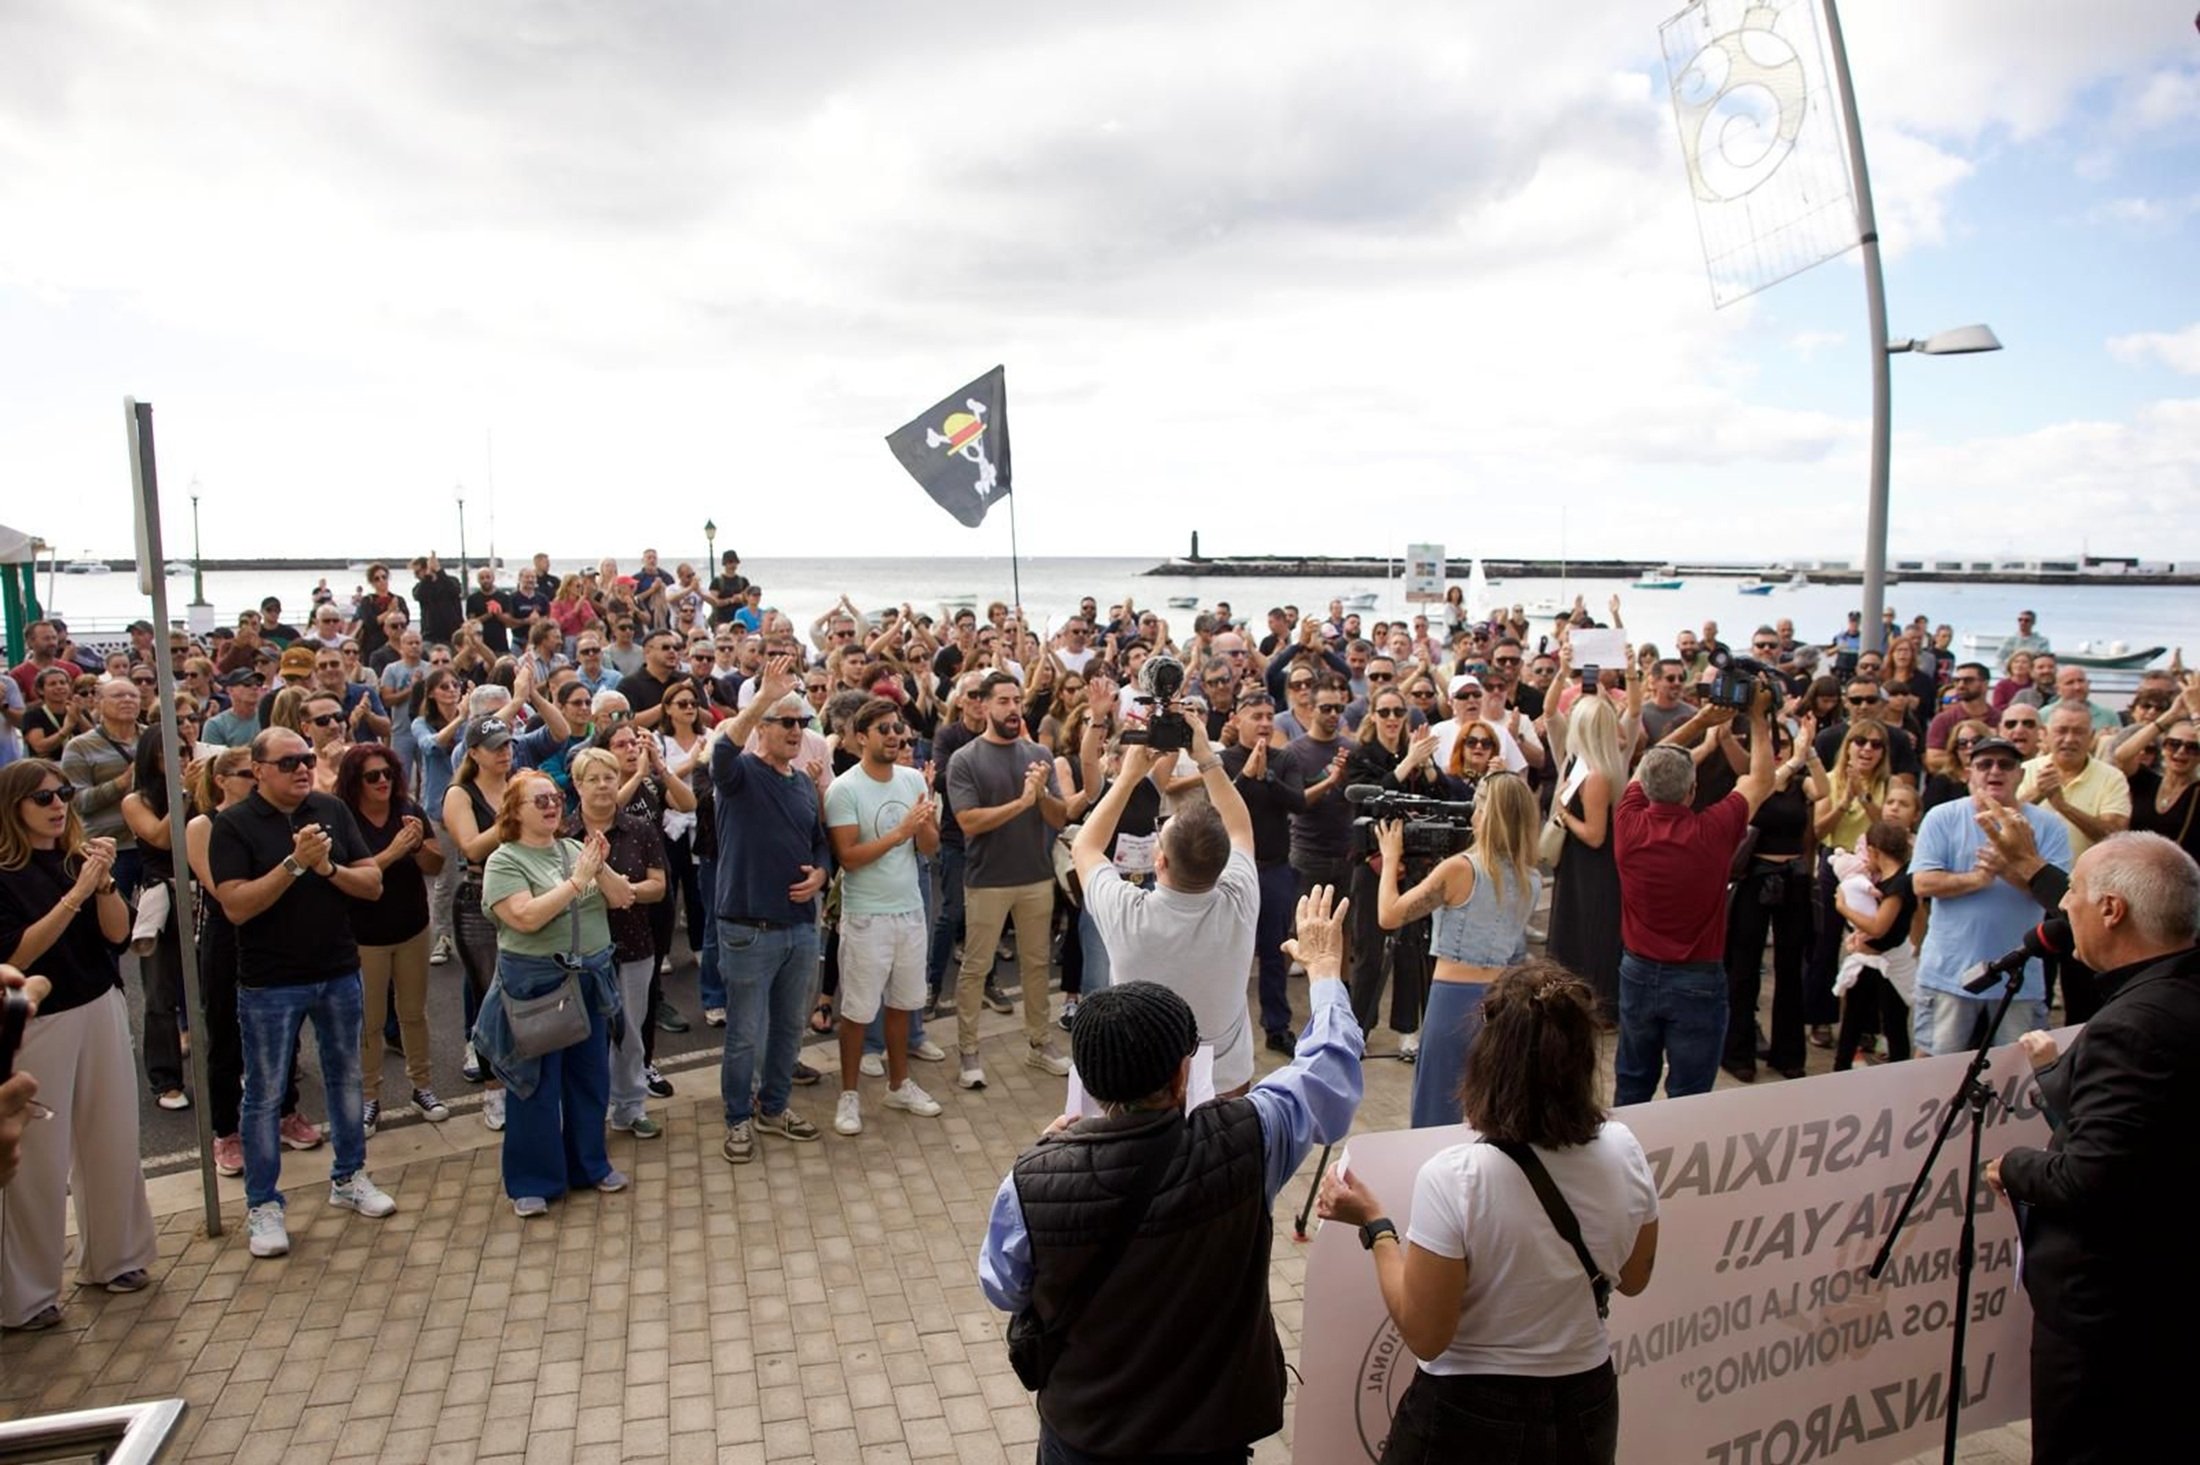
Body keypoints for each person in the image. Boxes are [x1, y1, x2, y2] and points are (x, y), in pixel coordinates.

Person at [978, 886, 1365, 1463]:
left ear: (1088, 1082)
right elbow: (1328, 1069)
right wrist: (1327, 971)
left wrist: (1052, 1153)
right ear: (1184, 1077)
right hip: (1208, 1437)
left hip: (1087, 1438)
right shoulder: (1250, 1137)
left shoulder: (1030, 1182)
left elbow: (1004, 1287)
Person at [1317, 962, 1658, 1465]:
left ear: (1488, 1059)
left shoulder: (1457, 1176)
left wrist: (1376, 1226)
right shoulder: (1623, 1149)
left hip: (1468, 1409)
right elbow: (1633, 1278)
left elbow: (1426, 1335)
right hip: (1585, 1400)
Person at [1987, 832, 2200, 1465]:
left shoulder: (2134, 1023)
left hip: (2111, 1309)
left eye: (2073, 892)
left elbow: (2090, 1179)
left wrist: (2014, 1167)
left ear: (2112, 910)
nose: (2063, 909)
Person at [209, 727, 397, 1260]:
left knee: (346, 1080)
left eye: (308, 758)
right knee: (265, 1094)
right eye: (288, 761)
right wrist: (293, 865)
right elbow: (237, 906)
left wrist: (327, 867)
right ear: (260, 769)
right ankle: (263, 1203)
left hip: (337, 969)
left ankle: (349, 1177)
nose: (302, 768)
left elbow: (372, 883)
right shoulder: (234, 824)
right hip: (270, 982)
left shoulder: (331, 810)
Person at [0, 762, 156, 1329]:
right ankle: (27, 1294)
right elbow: (16, 955)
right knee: (37, 1160)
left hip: (100, 1004)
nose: (57, 803)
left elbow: (117, 934)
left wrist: (105, 883)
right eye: (43, 796)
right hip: (39, 1023)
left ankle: (117, 1257)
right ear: (15, 805)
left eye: (64, 793)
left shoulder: (76, 861)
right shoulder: (4, 873)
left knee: (112, 1137)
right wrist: (77, 895)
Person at [1074, 712, 1260, 1095]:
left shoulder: (1128, 912)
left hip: (1147, 1086)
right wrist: (1206, 757)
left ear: (1159, 861)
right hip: (1226, 1087)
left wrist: (1127, 776)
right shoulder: (1240, 900)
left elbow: (1086, 846)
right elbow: (1240, 826)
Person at [473, 770, 627, 1216]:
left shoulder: (574, 848)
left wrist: (602, 864)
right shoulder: (505, 860)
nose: (550, 806)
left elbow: (620, 899)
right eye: (538, 800)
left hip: (588, 979)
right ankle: (533, 1182)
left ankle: (590, 1166)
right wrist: (578, 881)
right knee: (534, 1085)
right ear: (514, 811)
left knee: (590, 1078)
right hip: (537, 985)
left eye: (555, 798)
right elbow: (524, 918)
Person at [1611, 700, 1774, 1104]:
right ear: (1692, 790)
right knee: (1689, 1093)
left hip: (1637, 969)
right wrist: (1756, 716)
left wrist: (1700, 721)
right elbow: (1761, 780)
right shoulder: (1713, 830)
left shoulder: (1628, 821)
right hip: (1697, 977)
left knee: (1632, 1081)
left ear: (1645, 787)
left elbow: (1651, 760)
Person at [709, 658, 831, 1163]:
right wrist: (764, 695)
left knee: (786, 1029)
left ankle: (774, 1107)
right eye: (787, 722)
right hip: (747, 929)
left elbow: (820, 842)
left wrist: (822, 873)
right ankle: (738, 1118)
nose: (797, 731)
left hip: (800, 929)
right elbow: (720, 752)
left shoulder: (802, 782)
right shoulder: (739, 776)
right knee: (744, 1034)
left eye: (802, 723)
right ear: (762, 727)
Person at [1375, 772, 1542, 1127]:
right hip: (1502, 1000)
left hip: (1452, 1000)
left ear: (1486, 813)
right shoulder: (1532, 879)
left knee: (1438, 1108)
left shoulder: (1459, 869)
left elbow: (1389, 915)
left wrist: (1391, 858)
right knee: (1489, 1107)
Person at [822, 697, 945, 1134]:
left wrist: (924, 823)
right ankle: (849, 1096)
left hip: (910, 911)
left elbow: (929, 846)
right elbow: (849, 857)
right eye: (885, 730)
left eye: (899, 729)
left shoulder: (913, 778)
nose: (895, 736)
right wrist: (902, 831)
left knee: (903, 1004)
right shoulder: (844, 789)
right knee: (856, 1012)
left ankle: (900, 1085)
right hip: (865, 917)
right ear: (861, 738)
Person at [948, 671, 1074, 1091]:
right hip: (987, 881)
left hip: (1036, 877)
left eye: (1017, 700)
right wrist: (1021, 801)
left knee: (1036, 964)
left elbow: (1059, 818)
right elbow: (968, 821)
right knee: (976, 968)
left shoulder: (1038, 753)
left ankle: (1039, 1042)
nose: (1013, 708)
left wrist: (1039, 796)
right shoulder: (965, 759)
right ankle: (969, 1052)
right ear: (983, 705)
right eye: (1003, 700)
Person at [1909, 736, 2072, 1054]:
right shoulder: (1941, 817)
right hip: (1950, 973)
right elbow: (1922, 884)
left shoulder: (2049, 826)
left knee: (2021, 1073)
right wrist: (1978, 878)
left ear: (2021, 774)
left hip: (2020, 978)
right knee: (1935, 1070)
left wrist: (2008, 869)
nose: (1994, 771)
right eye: (1984, 764)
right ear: (1969, 772)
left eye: (2006, 764)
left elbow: (2060, 899)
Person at [335, 743, 449, 1132]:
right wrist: (392, 850)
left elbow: (435, 862)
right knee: (369, 1020)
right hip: (364, 934)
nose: (383, 781)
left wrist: (417, 847)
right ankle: (369, 1097)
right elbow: (347, 877)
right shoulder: (343, 816)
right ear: (355, 781)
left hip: (412, 926)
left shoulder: (410, 809)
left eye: (387, 773)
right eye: (372, 776)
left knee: (414, 1013)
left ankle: (423, 1086)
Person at [564, 747, 668, 1142]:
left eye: (610, 777)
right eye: (594, 778)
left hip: (633, 945)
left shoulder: (639, 829)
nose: (604, 785)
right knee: (584, 1034)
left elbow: (658, 886)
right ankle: (589, 1111)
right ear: (577, 785)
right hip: (582, 952)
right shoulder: (564, 834)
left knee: (630, 1031)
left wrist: (626, 892)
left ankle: (630, 1107)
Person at [2017, 702, 2133, 1022]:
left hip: (2086, 900)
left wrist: (2062, 804)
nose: (2069, 739)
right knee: (2028, 987)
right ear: (2045, 735)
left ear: (2092, 737)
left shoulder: (2112, 778)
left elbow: (2114, 833)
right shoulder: (2025, 771)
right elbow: (2001, 824)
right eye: (2061, 731)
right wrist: (2039, 793)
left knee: (2082, 992)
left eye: (2078, 731)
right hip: (2028, 895)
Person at [1219, 692, 1304, 1054]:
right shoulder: (1222, 761)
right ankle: (1223, 1025)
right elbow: (1221, 805)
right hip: (1233, 872)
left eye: (1270, 716)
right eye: (1257, 716)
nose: (1266, 723)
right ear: (1238, 719)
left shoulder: (1285, 759)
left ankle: (1276, 1026)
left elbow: (1299, 802)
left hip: (1275, 870)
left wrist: (1266, 776)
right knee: (1228, 953)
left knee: (1273, 952)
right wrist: (1246, 777)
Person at [443, 717, 516, 1120]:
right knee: (490, 994)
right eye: (495, 746)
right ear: (473, 753)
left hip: (522, 892)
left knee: (525, 991)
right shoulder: (461, 794)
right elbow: (471, 847)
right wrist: (513, 815)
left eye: (508, 744)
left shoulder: (517, 782)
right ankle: (493, 1087)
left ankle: (521, 1077)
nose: (505, 753)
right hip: (478, 899)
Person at [1547, 693, 1628, 1023]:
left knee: (1588, 935)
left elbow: (1595, 835)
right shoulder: (1592, 764)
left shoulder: (1595, 775)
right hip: (1581, 866)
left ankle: (1594, 1009)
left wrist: (1564, 815)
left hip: (1591, 868)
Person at [1829, 819, 1919, 1072]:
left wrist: (1843, 907)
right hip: (1872, 960)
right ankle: (1841, 1068)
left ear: (1875, 851)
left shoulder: (1898, 885)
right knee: (1854, 1020)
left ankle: (1899, 1075)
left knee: (1893, 1023)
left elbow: (1879, 926)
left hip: (1890, 962)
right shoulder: (1891, 880)